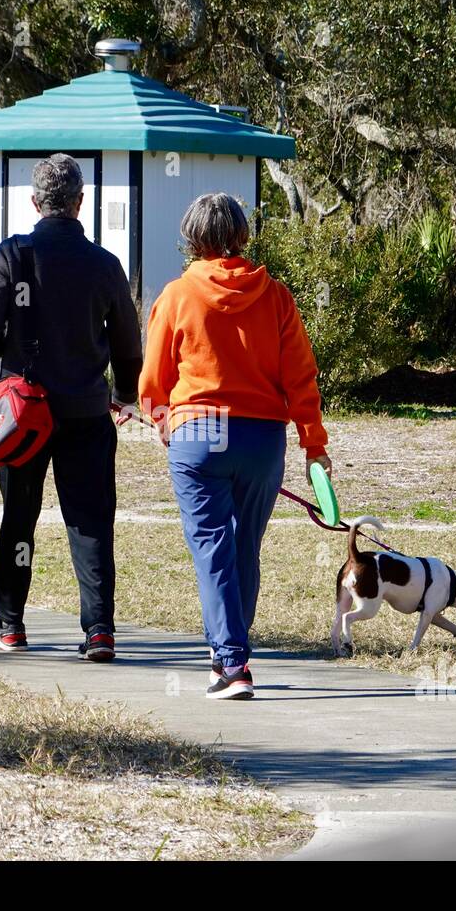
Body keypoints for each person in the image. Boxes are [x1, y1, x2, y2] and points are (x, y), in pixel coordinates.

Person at [138, 192, 331, 699]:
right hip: (263, 436)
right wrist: (313, 444)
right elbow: (301, 378)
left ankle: (231, 661)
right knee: (243, 546)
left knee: (212, 547)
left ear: (192, 239)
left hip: (200, 432)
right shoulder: (276, 297)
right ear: (242, 236)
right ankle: (230, 649)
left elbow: (153, 381)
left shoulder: (178, 295)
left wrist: (164, 423)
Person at [0, 153, 142, 661]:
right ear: (80, 203)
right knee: (90, 520)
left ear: (34, 202)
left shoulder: (13, 255)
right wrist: (124, 393)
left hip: (26, 414)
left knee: (19, 515)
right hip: (88, 412)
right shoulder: (105, 265)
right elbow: (129, 345)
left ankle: (8, 619)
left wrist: (16, 349)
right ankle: (99, 630)